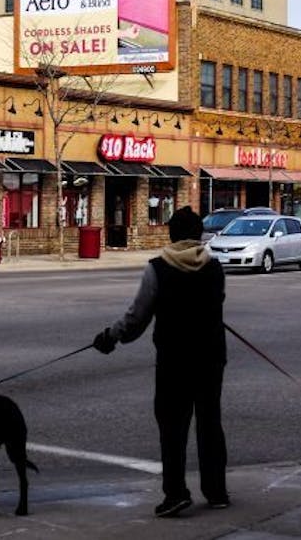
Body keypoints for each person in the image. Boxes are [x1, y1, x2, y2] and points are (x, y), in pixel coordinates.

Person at [91, 205, 228, 518]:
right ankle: (216, 491)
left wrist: (111, 337)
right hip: (210, 358)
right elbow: (215, 304)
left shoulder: (158, 268)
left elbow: (136, 317)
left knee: (173, 428)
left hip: (174, 360)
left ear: (171, 233)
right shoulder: (214, 267)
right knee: (210, 425)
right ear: (199, 235)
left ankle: (176, 493)